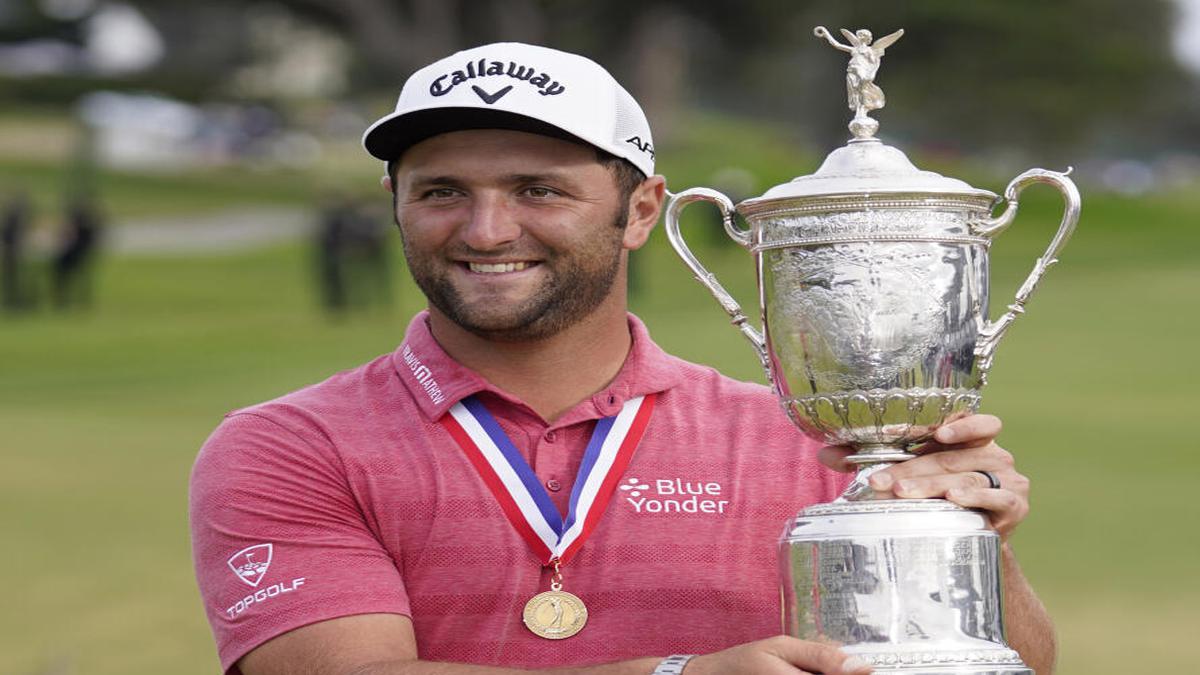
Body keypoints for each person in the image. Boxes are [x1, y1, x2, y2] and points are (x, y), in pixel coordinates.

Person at [190, 42, 1055, 675]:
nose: (486, 230)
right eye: (443, 191)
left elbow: (1015, 665)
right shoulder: (290, 445)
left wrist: (968, 539)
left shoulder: (801, 436)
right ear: (395, 204)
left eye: (540, 189)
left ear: (642, 211)